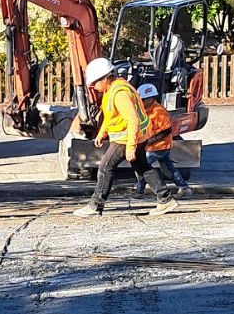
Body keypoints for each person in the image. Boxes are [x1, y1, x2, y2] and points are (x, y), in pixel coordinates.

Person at [73, 59, 173, 217]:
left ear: (105, 78)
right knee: (142, 167)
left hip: (127, 137)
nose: (92, 87)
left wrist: (131, 146)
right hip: (137, 135)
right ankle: (166, 199)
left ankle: (96, 205)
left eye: (94, 83)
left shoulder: (120, 94)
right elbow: (111, 115)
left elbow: (133, 119)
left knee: (106, 166)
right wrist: (102, 133)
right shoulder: (114, 88)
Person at [132, 83, 191, 198]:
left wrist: (149, 141)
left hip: (160, 146)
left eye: (142, 100)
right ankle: (184, 187)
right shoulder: (146, 110)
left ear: (150, 99)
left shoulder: (159, 111)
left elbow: (166, 131)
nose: (140, 102)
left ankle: (140, 191)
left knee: (142, 166)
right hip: (158, 146)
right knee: (168, 169)